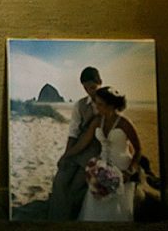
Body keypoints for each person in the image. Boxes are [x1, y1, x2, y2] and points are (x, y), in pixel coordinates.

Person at [60, 87, 142, 222]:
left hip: (122, 170)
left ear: (111, 106)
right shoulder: (98, 121)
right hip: (101, 169)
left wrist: (130, 171)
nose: (96, 107)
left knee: (118, 210)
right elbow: (82, 143)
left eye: (100, 104)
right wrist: (67, 154)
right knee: (95, 207)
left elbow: (138, 149)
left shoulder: (125, 123)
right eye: (96, 103)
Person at [48, 66, 103, 220]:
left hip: (95, 151)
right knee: (61, 179)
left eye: (92, 87)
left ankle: (68, 217)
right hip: (79, 148)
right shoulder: (80, 105)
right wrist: (67, 155)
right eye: (86, 88)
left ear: (100, 82)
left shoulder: (107, 104)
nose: (90, 91)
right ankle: (56, 217)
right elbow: (73, 133)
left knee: (76, 186)